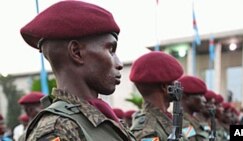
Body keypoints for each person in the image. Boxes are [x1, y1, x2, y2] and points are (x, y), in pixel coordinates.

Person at [20, 1, 136, 141]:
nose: (119, 64)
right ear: (77, 52)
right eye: (110, 50)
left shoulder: (101, 120)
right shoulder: (57, 129)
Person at [129, 51, 184, 141]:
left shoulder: (166, 120)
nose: (180, 88)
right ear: (165, 87)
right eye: (175, 83)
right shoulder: (148, 131)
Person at [178, 75, 209, 141]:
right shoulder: (181, 122)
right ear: (185, 97)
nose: (204, 100)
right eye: (200, 95)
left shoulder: (194, 120)